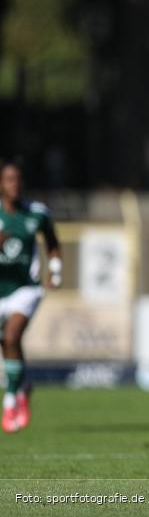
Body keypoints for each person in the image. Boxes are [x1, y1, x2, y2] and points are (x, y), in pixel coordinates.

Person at [0, 162, 62, 433]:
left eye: (18, 179)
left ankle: (11, 399)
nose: (14, 184)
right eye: (9, 179)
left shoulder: (37, 213)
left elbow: (52, 242)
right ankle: (22, 384)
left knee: (12, 336)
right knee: (5, 341)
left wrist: (56, 271)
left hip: (27, 287)